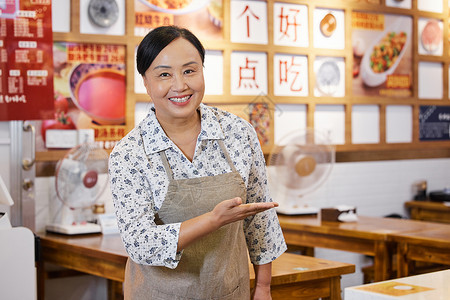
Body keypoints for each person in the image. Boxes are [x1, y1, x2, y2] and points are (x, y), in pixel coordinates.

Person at [109, 25, 287, 300]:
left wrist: (263, 287)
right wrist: (213, 220)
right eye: (164, 74)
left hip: (230, 291)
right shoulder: (129, 153)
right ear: (145, 81)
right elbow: (139, 243)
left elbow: (260, 219)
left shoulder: (239, 134)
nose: (180, 85)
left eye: (189, 71)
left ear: (203, 71)